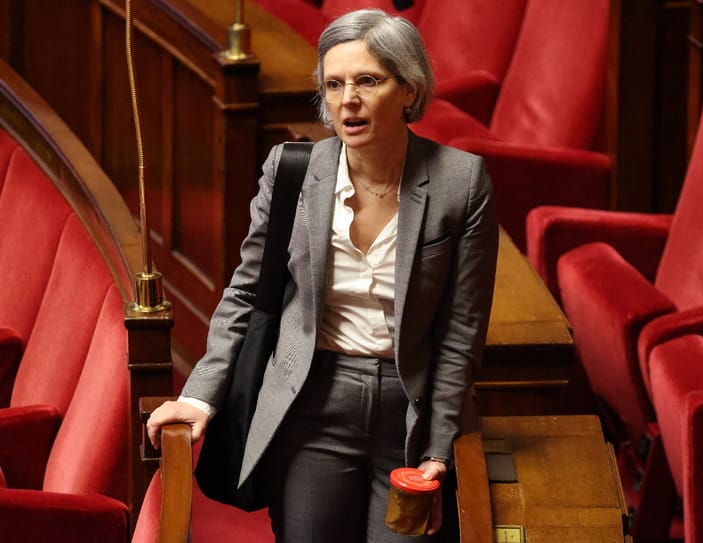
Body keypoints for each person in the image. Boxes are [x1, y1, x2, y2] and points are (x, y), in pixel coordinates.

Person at [146, 8, 498, 543]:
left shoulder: (461, 182)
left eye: (367, 81)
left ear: (409, 89)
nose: (346, 100)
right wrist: (199, 395)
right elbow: (245, 293)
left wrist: (437, 447)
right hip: (311, 403)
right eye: (333, 84)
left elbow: (461, 332)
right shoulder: (291, 171)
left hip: (410, 413)